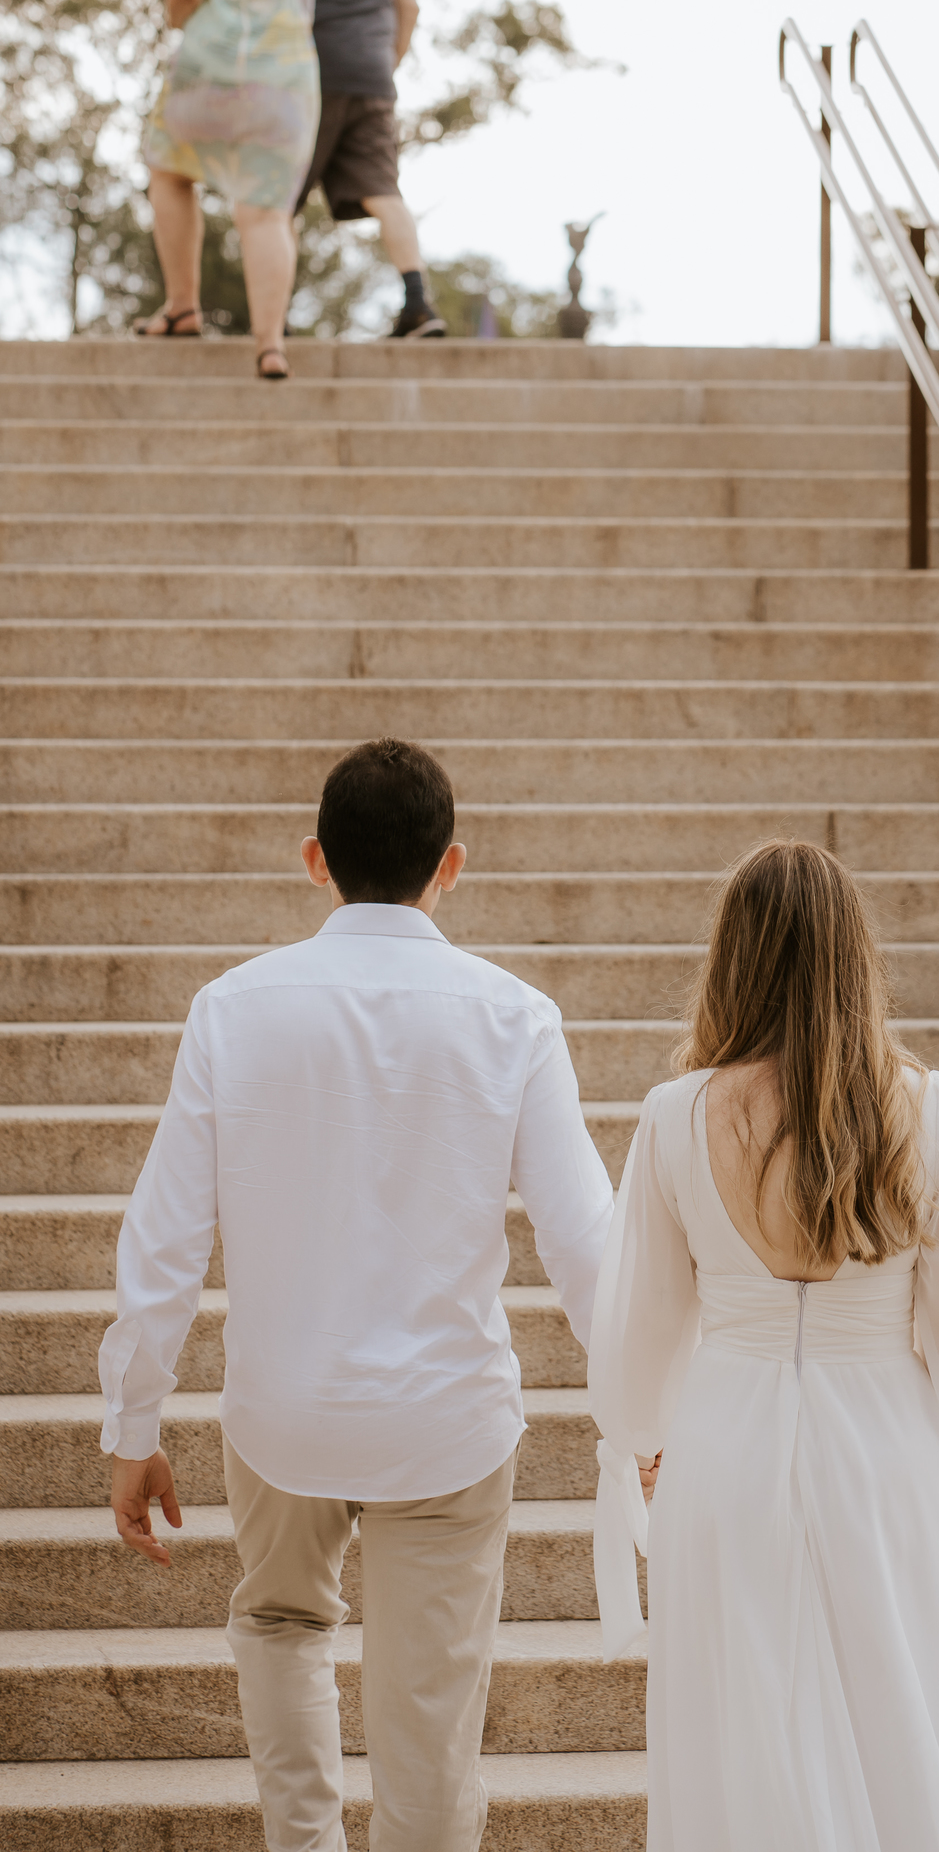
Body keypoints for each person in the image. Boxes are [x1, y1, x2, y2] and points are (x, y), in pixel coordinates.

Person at [99, 738, 614, 1852]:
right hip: (447, 1418)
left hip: (284, 1409)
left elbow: (166, 1237)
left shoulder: (232, 1009)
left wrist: (135, 1421)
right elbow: (585, 1241)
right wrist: (641, 1411)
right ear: (452, 865)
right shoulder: (516, 1016)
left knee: (281, 1625)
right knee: (431, 1710)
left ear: (315, 859)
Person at [588, 840, 939, 1852]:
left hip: (725, 1451)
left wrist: (643, 1438)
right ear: (853, 955)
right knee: (906, 1727)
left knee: (741, 1740)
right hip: (889, 1450)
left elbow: (641, 1331)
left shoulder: (674, 1116)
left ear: (732, 956)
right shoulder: (924, 1106)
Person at [138, 0, 320, 380]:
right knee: (265, 212)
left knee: (168, 170)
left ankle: (182, 306)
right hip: (287, 83)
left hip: (214, 70)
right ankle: (270, 345)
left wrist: (174, 15)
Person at [281, 0, 446, 340]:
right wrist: (387, 59)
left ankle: (273, 317)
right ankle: (418, 303)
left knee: (278, 196)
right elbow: (408, 6)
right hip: (373, 74)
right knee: (383, 189)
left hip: (311, 71)